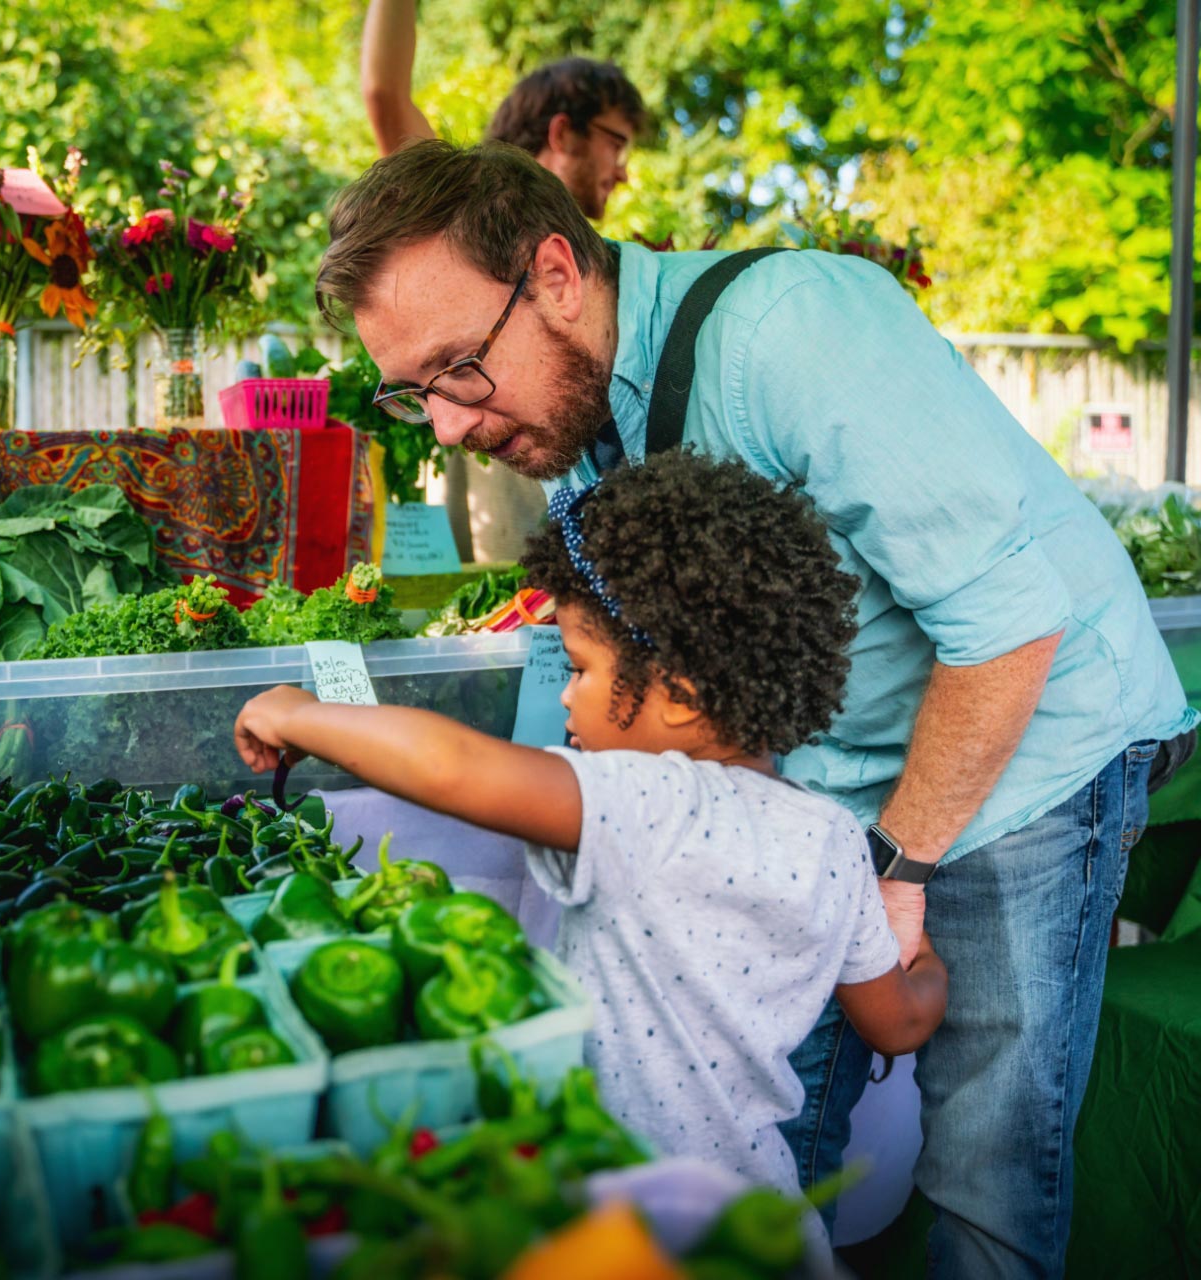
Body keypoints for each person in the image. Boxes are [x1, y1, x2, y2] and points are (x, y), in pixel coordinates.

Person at [312, 139, 1200, 1278]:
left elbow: (1007, 627)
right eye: (411, 390)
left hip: (1027, 738)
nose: (443, 424)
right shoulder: (562, 411)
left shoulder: (789, 336)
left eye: (455, 369)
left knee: (987, 1153)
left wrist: (897, 869)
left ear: (554, 276)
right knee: (768, 1133)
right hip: (836, 774)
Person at [235, 449, 949, 1249]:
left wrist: (298, 712)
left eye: (577, 666)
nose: (565, 693)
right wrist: (930, 968)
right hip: (750, 1230)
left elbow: (450, 766)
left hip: (618, 1221)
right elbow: (897, 1022)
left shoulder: (651, 803)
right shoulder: (831, 840)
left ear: (677, 697)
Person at [360, 0, 644, 219]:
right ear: (563, 133)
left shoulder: (587, 264)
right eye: (615, 146)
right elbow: (385, 93)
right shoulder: (458, 205)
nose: (623, 175)